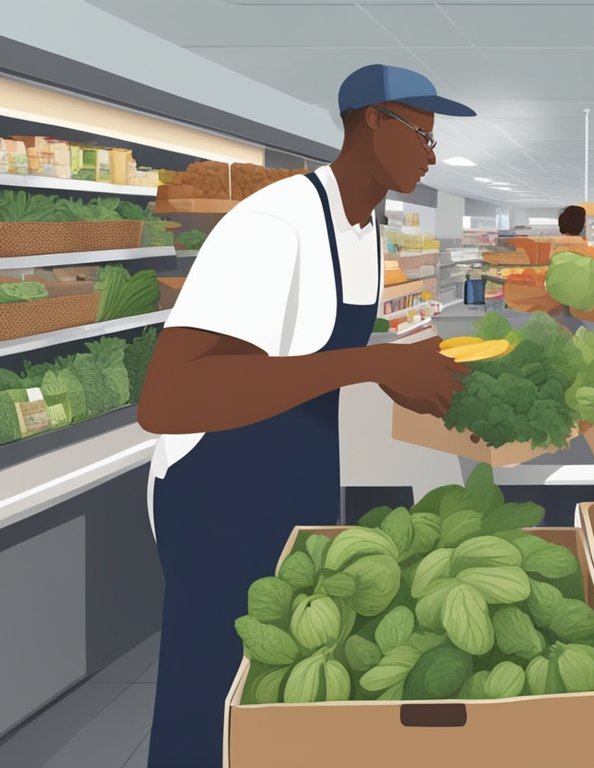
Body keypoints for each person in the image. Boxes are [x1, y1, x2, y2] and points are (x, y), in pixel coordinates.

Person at [136, 64, 475, 766]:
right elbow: (169, 398)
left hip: (302, 477)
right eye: (420, 134)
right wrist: (374, 365)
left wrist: (395, 366)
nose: (432, 155)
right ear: (370, 121)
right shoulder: (273, 223)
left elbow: (308, 350)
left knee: (288, 684)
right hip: (220, 494)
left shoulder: (364, 228)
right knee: (212, 694)